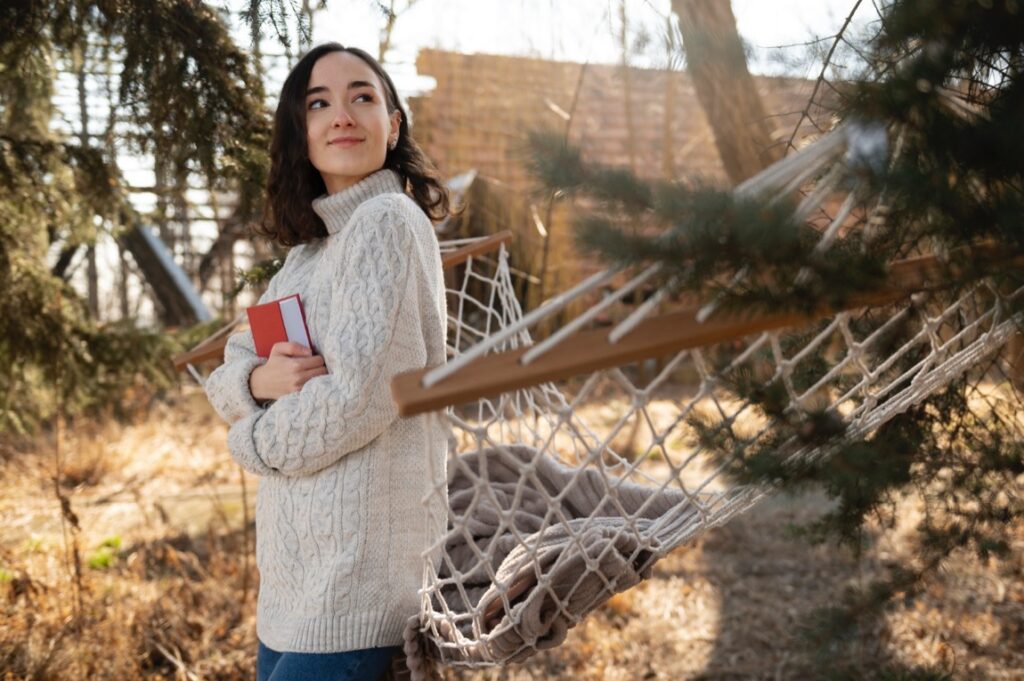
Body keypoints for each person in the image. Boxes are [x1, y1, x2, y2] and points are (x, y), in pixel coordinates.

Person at [203, 42, 450, 681]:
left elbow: (355, 401)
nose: (341, 115)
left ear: (392, 126)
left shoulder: (387, 221)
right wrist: (258, 379)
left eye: (361, 97)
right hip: (291, 588)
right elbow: (226, 372)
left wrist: (248, 439)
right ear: (302, 134)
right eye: (319, 104)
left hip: (358, 583)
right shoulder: (304, 259)